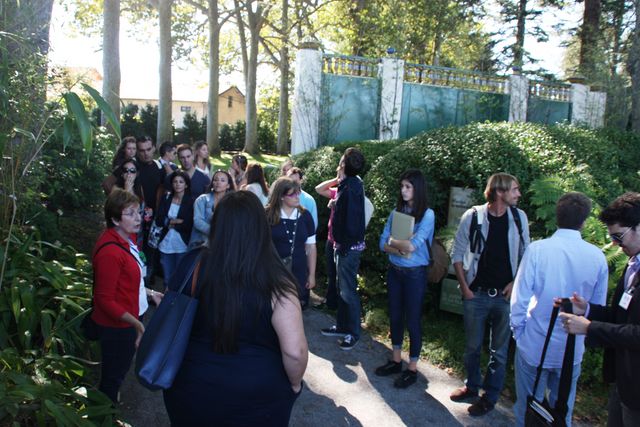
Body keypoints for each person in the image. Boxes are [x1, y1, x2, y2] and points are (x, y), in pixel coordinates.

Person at [163, 191, 308, 426]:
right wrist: (294, 383)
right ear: (260, 227)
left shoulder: (193, 263)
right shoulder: (277, 280)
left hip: (190, 385)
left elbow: (172, 311)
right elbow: (295, 352)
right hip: (258, 396)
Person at [510, 192, 608, 427]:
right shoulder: (597, 257)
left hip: (534, 343)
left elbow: (519, 298)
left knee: (527, 409)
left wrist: (519, 332)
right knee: (563, 410)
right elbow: (597, 307)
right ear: (584, 221)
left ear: (557, 216)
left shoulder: (538, 250)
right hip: (571, 349)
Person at [450, 172, 530, 416]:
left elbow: (527, 256)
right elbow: (457, 253)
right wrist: (465, 288)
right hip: (477, 295)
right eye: (514, 189)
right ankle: (471, 386)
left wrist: (515, 283)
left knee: (500, 352)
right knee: (473, 347)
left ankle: (490, 397)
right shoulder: (473, 216)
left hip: (505, 298)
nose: (518, 194)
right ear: (499, 192)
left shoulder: (519, 218)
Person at [561, 192, 640, 427]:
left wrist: (589, 328)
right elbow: (621, 317)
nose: (615, 244)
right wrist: (587, 310)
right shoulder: (633, 262)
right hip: (622, 379)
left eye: (619, 236)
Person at [92, 189, 162, 403]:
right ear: (114, 218)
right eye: (130, 213)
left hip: (130, 319)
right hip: (119, 328)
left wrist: (149, 293)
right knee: (112, 378)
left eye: (138, 212)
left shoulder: (127, 238)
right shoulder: (110, 252)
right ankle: (104, 415)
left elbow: (130, 278)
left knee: (119, 372)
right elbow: (104, 299)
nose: (138, 218)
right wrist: (138, 325)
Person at [375, 169, 435, 388]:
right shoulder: (396, 212)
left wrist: (395, 243)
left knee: (413, 320)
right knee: (396, 317)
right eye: (402, 186)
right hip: (395, 272)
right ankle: (396, 360)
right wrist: (397, 246)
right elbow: (382, 244)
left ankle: (412, 369)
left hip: (414, 275)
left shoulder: (427, 214)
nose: (403, 190)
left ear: (417, 188)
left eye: (408, 187)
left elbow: (412, 245)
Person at [320, 147, 366, 351]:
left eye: (341, 161)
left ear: (345, 165)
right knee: (342, 289)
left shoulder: (352, 187)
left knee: (348, 291)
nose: (339, 163)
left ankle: (353, 333)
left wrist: (345, 247)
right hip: (342, 246)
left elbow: (354, 224)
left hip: (348, 249)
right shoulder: (347, 184)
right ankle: (341, 326)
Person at [266, 177, 317, 309]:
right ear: (281, 197)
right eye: (292, 194)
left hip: (299, 273)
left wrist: (311, 275)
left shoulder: (305, 216)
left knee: (297, 310)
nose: (297, 197)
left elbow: (311, 247)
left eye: (298, 192)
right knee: (272, 309)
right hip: (274, 271)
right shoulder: (267, 215)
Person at [135, 135, 167, 284]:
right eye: (141, 150)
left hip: (155, 218)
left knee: (152, 249)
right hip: (135, 217)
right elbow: (109, 185)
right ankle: (140, 279)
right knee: (137, 249)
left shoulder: (159, 167)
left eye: (148, 149)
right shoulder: (132, 167)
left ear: (154, 148)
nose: (145, 153)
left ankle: (149, 279)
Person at [155, 170, 194, 284]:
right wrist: (173, 221)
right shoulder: (166, 198)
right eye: (175, 181)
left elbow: (188, 224)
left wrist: (170, 222)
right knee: (167, 277)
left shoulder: (191, 201)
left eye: (181, 182)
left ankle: (176, 301)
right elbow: (159, 220)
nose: (178, 184)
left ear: (186, 184)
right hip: (165, 242)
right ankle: (165, 299)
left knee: (180, 278)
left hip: (182, 244)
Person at [314, 164, 343, 310]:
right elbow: (319, 189)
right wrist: (336, 180)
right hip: (330, 239)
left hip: (341, 242)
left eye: (340, 172)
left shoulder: (351, 192)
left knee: (340, 276)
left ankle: (340, 306)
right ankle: (331, 303)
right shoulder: (337, 191)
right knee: (331, 273)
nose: (339, 174)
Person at [190, 169, 235, 248]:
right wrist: (215, 232)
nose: (218, 182)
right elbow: (197, 221)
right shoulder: (202, 199)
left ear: (228, 185)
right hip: (200, 244)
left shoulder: (232, 202)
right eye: (215, 180)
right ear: (212, 182)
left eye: (222, 180)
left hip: (223, 244)